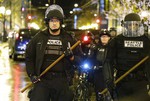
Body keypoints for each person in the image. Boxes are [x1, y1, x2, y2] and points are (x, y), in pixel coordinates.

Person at [25, 4, 80, 101]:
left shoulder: (69, 39)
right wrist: (32, 74)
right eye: (51, 20)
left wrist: (71, 57)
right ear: (48, 22)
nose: (54, 23)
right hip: (42, 79)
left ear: (60, 22)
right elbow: (29, 57)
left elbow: (81, 58)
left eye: (56, 20)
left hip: (62, 80)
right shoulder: (39, 38)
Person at [103, 13, 150, 101]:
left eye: (135, 24)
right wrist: (109, 80)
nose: (132, 27)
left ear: (139, 25)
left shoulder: (146, 41)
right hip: (122, 82)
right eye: (129, 24)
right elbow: (108, 62)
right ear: (125, 25)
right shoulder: (117, 41)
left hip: (141, 82)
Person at [88, 30, 112, 101]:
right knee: (99, 92)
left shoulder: (112, 48)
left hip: (110, 72)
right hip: (98, 72)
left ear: (109, 38)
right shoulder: (96, 47)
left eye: (106, 37)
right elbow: (90, 59)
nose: (104, 38)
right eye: (102, 37)